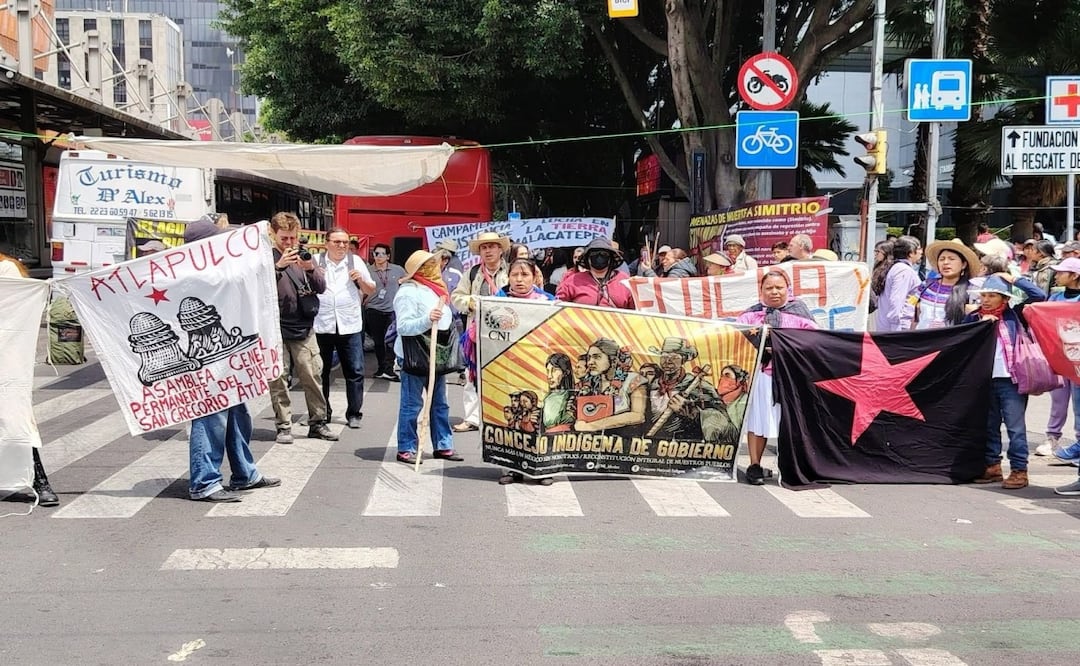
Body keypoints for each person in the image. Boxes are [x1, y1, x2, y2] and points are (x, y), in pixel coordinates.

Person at [181, 219, 281, 503]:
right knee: (209, 420)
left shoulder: (213, 269)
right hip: (207, 365)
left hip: (227, 359)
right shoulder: (194, 274)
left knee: (239, 416)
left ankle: (244, 473)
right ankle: (204, 482)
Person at [963, 274, 1046, 489]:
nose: (987, 300)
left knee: (1015, 427)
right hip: (984, 380)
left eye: (993, 296)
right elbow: (960, 341)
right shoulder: (973, 319)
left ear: (1005, 299)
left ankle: (1020, 470)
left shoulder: (1016, 315)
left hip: (1011, 381)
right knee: (989, 425)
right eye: (984, 295)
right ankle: (993, 466)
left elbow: (1038, 295)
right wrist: (980, 326)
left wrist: (1015, 278)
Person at [735, 271, 818, 485]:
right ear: (761, 291)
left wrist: (783, 345)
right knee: (758, 420)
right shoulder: (750, 315)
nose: (774, 292)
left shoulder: (800, 313)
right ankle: (754, 465)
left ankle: (791, 466)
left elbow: (814, 341)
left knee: (790, 422)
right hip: (761, 374)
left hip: (790, 375)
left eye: (779, 287)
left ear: (787, 289)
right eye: (769, 288)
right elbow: (737, 339)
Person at [267, 212, 338, 443]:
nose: (288, 243)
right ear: (273, 234)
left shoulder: (306, 257)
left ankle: (317, 423)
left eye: (292, 238)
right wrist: (277, 267)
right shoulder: (265, 258)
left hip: (304, 326)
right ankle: (284, 425)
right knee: (279, 377)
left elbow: (320, 287)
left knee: (312, 375)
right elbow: (258, 288)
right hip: (275, 327)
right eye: (284, 238)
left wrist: (309, 267)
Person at [393, 250, 463, 464]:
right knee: (412, 404)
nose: (436, 267)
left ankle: (443, 445)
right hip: (415, 355)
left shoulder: (434, 289)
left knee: (439, 403)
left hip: (436, 353)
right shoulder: (407, 292)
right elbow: (404, 327)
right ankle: (406, 447)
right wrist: (427, 319)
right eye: (430, 265)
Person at [0, 256, 59, 507]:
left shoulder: (5, 267)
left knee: (15, 418)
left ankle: (39, 480)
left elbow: (14, 309)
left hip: (5, 355)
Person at [314, 227, 376, 429]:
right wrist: (314, 276)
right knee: (320, 371)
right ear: (327, 242)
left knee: (355, 370)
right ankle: (323, 412)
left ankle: (354, 413)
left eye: (345, 242)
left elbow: (370, 290)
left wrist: (359, 279)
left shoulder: (355, 261)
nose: (341, 246)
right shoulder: (315, 261)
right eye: (337, 242)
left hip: (349, 324)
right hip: (322, 324)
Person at [451, 231, 511, 432]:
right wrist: (473, 303)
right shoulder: (472, 273)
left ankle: (503, 419)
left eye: (492, 246)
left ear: (500, 249)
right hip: (476, 334)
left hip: (507, 335)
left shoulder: (512, 271)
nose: (488, 251)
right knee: (472, 376)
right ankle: (472, 418)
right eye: (484, 248)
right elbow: (456, 296)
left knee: (505, 376)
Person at [1039, 258, 1080, 464]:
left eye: (1062, 272)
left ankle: (1079, 445)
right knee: (1058, 400)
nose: (1057, 275)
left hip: (1078, 361)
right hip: (1058, 357)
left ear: (1074, 276)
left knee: (1079, 404)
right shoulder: (1054, 296)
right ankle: (1052, 438)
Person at [574, 338, 648, 433]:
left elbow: (637, 416)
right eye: (589, 358)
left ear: (613, 360)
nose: (590, 362)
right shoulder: (590, 384)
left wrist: (591, 426)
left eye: (597, 357)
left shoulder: (634, 380)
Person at [912, 239, 979, 329]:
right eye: (942, 259)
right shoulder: (926, 285)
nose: (945, 262)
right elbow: (915, 318)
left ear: (963, 264)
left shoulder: (972, 291)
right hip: (922, 340)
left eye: (951, 259)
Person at [364, 243, 407, 381]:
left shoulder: (398, 270)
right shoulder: (368, 270)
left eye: (382, 253)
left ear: (388, 256)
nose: (379, 256)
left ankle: (388, 368)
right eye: (376, 253)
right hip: (373, 309)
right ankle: (381, 367)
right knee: (378, 341)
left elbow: (407, 280)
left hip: (392, 309)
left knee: (390, 340)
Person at [556, 236, 635, 309]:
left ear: (610, 258)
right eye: (594, 254)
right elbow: (558, 306)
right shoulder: (573, 280)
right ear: (588, 259)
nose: (599, 257)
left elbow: (637, 312)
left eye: (604, 254)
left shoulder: (624, 281)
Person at [874, 236, 921, 332]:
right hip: (898, 328)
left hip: (890, 326)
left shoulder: (894, 267)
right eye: (919, 248)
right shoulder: (904, 271)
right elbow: (897, 300)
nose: (921, 252)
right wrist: (897, 329)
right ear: (911, 253)